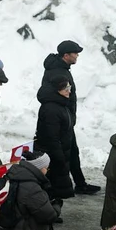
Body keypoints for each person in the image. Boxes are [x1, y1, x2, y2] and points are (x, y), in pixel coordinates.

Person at [41, 41, 99, 194]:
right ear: (66, 55)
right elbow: (57, 95)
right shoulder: (57, 71)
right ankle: (56, 190)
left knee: (73, 152)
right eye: (75, 53)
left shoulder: (62, 68)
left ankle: (80, 183)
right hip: (61, 120)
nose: (77, 55)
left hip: (66, 118)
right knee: (62, 153)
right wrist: (66, 116)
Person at [36, 76, 76, 210]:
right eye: (66, 89)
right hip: (52, 154)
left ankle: (52, 210)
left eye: (69, 88)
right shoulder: (51, 109)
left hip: (59, 152)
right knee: (50, 184)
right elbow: (51, 137)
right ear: (57, 90)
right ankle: (47, 211)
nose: (69, 91)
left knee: (54, 185)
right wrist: (60, 156)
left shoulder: (61, 104)